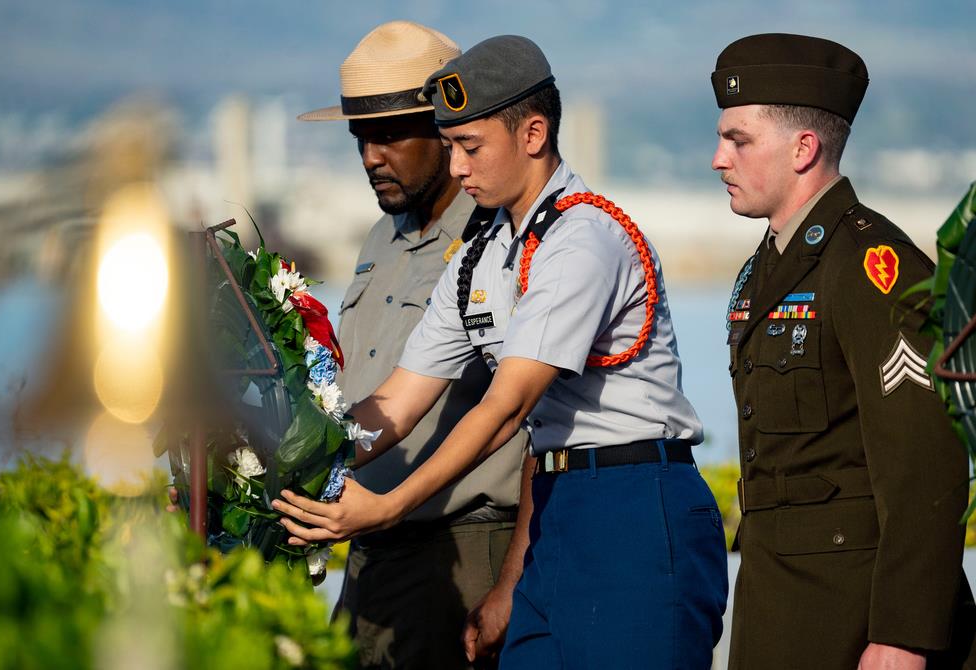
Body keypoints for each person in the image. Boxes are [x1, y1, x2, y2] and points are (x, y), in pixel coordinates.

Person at [275, 34, 728, 669]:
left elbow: (508, 408)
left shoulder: (582, 239)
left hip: (636, 502)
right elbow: (397, 402)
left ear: (533, 135)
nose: (457, 167)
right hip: (556, 505)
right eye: (451, 145)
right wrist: (287, 457)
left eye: (470, 146)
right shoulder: (483, 257)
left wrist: (387, 506)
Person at [710, 33, 976, 669]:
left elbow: (926, 461)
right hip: (781, 606)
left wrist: (904, 635)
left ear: (804, 148)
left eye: (738, 139)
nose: (718, 158)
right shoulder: (765, 270)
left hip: (857, 619)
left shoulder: (869, 265)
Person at [297, 21, 526, 669]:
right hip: (368, 546)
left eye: (390, 134)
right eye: (360, 137)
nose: (371, 155)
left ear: (448, 131)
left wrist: (508, 582)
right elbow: (361, 394)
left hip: (460, 550)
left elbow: (528, 413)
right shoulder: (379, 237)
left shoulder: (498, 239)